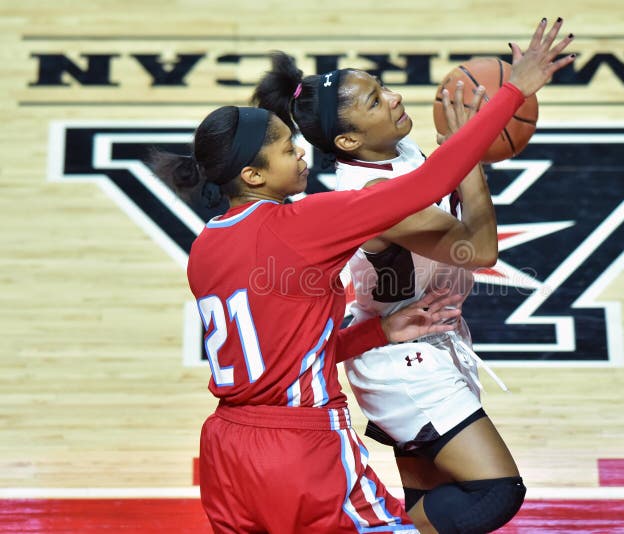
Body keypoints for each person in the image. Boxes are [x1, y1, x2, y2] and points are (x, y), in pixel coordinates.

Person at [154, 18, 574, 534]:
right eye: (289, 149)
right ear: (253, 175)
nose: (302, 152)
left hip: (227, 446)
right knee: (485, 497)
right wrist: (515, 91)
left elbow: (284, 347)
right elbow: (441, 178)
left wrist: (379, 332)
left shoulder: (206, 247)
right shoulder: (305, 221)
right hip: (301, 442)